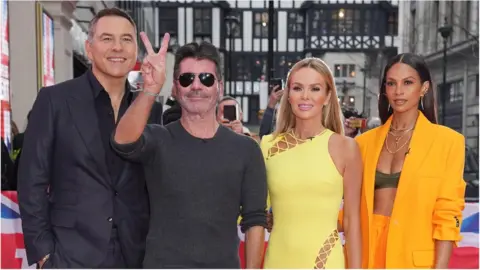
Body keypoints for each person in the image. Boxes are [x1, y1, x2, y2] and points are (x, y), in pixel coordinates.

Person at [18, 8, 162, 268]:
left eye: (126, 39)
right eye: (107, 39)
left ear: (136, 51)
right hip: (70, 254)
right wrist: (44, 253)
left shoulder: (150, 107)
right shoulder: (55, 100)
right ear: (89, 47)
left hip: (136, 254)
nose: (117, 47)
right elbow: (32, 181)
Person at [111, 34, 268, 268]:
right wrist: (150, 89)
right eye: (186, 79)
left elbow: (255, 220)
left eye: (206, 78)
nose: (196, 86)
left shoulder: (246, 150)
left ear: (219, 86)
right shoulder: (158, 139)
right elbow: (122, 142)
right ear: (175, 87)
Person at [355, 53, 466, 268]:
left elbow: (447, 214)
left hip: (414, 259)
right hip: (365, 256)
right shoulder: (364, 143)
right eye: (391, 83)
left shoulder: (448, 142)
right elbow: (348, 208)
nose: (398, 91)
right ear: (384, 89)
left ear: (424, 88)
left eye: (407, 83)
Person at [260, 58, 362, 269]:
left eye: (315, 89)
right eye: (298, 88)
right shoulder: (268, 146)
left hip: (326, 263)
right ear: (288, 95)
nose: (305, 96)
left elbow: (352, 222)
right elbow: (257, 212)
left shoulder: (346, 148)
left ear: (327, 97)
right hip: (278, 261)